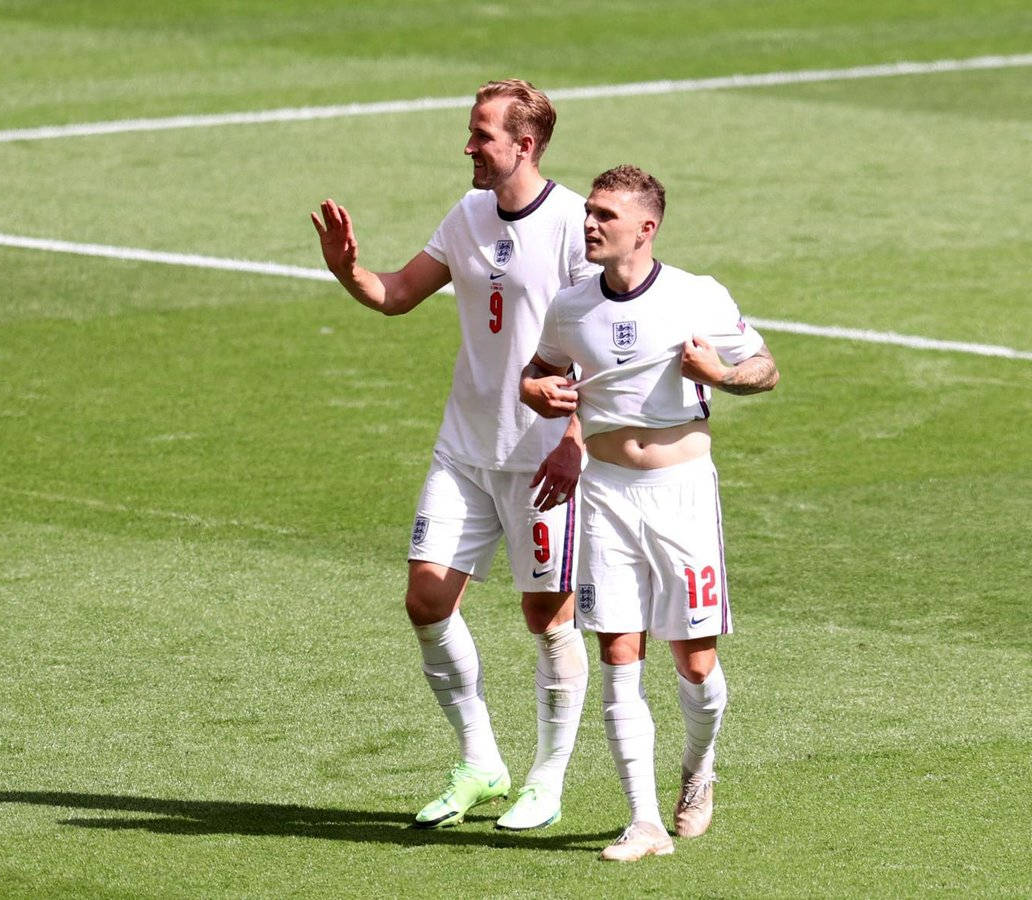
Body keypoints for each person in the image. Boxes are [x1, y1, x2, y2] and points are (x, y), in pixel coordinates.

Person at [310, 79, 598, 831]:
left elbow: (596, 350)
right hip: (465, 452)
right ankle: (481, 763)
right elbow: (400, 292)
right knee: (427, 600)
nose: (468, 146)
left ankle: (547, 778)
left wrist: (573, 445)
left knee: (548, 618)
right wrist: (347, 268)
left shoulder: (573, 225)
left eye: (481, 134)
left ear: (523, 144)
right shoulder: (469, 215)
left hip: (543, 461)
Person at [519, 164, 779, 861]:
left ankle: (698, 768)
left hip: (682, 496)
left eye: (606, 214)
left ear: (646, 226)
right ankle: (642, 822)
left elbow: (765, 367)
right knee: (619, 654)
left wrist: (720, 375)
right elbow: (538, 373)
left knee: (694, 665)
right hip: (604, 495)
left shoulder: (697, 296)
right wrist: (541, 397)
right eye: (590, 212)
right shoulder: (571, 306)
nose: (591, 222)